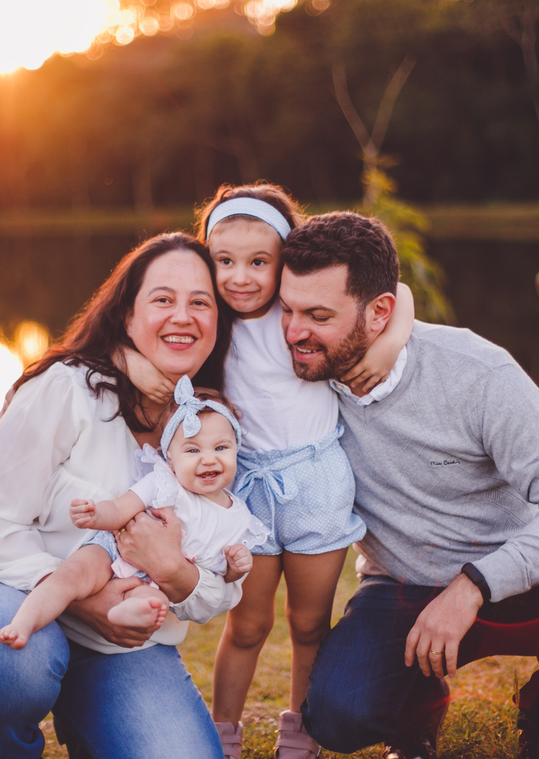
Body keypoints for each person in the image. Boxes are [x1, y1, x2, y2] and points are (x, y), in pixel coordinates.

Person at [279, 212, 539, 759]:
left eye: (317, 314)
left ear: (381, 312)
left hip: (518, 577)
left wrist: (472, 585)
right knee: (336, 716)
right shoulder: (297, 378)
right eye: (286, 310)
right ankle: (416, 715)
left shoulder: (477, 372)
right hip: (401, 585)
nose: (293, 332)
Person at [0, 232, 238, 759]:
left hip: (112, 646)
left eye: (200, 302)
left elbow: (220, 580)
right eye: (163, 299)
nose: (184, 316)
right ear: (127, 316)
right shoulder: (67, 388)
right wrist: (83, 598)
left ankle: (93, 721)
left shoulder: (212, 430)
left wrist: (177, 574)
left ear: (217, 323)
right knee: (15, 662)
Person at [121, 184, 414, 759]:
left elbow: (395, 291)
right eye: (224, 261)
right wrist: (129, 357)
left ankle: (300, 730)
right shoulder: (209, 326)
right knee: (247, 625)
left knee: (309, 625)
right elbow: (120, 332)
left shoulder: (301, 318)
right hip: (244, 487)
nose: (241, 277)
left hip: (316, 484)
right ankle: (222, 731)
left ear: (287, 262)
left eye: (260, 262)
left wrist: (389, 342)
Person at [0, 379, 268, 648]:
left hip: (152, 582)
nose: (209, 459)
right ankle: (23, 623)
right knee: (70, 576)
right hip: (113, 550)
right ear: (170, 459)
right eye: (193, 450)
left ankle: (124, 613)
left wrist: (235, 567)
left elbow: (220, 574)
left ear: (236, 448)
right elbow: (120, 508)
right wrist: (95, 514)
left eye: (221, 448)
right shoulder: (164, 482)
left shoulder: (239, 518)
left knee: (154, 605)